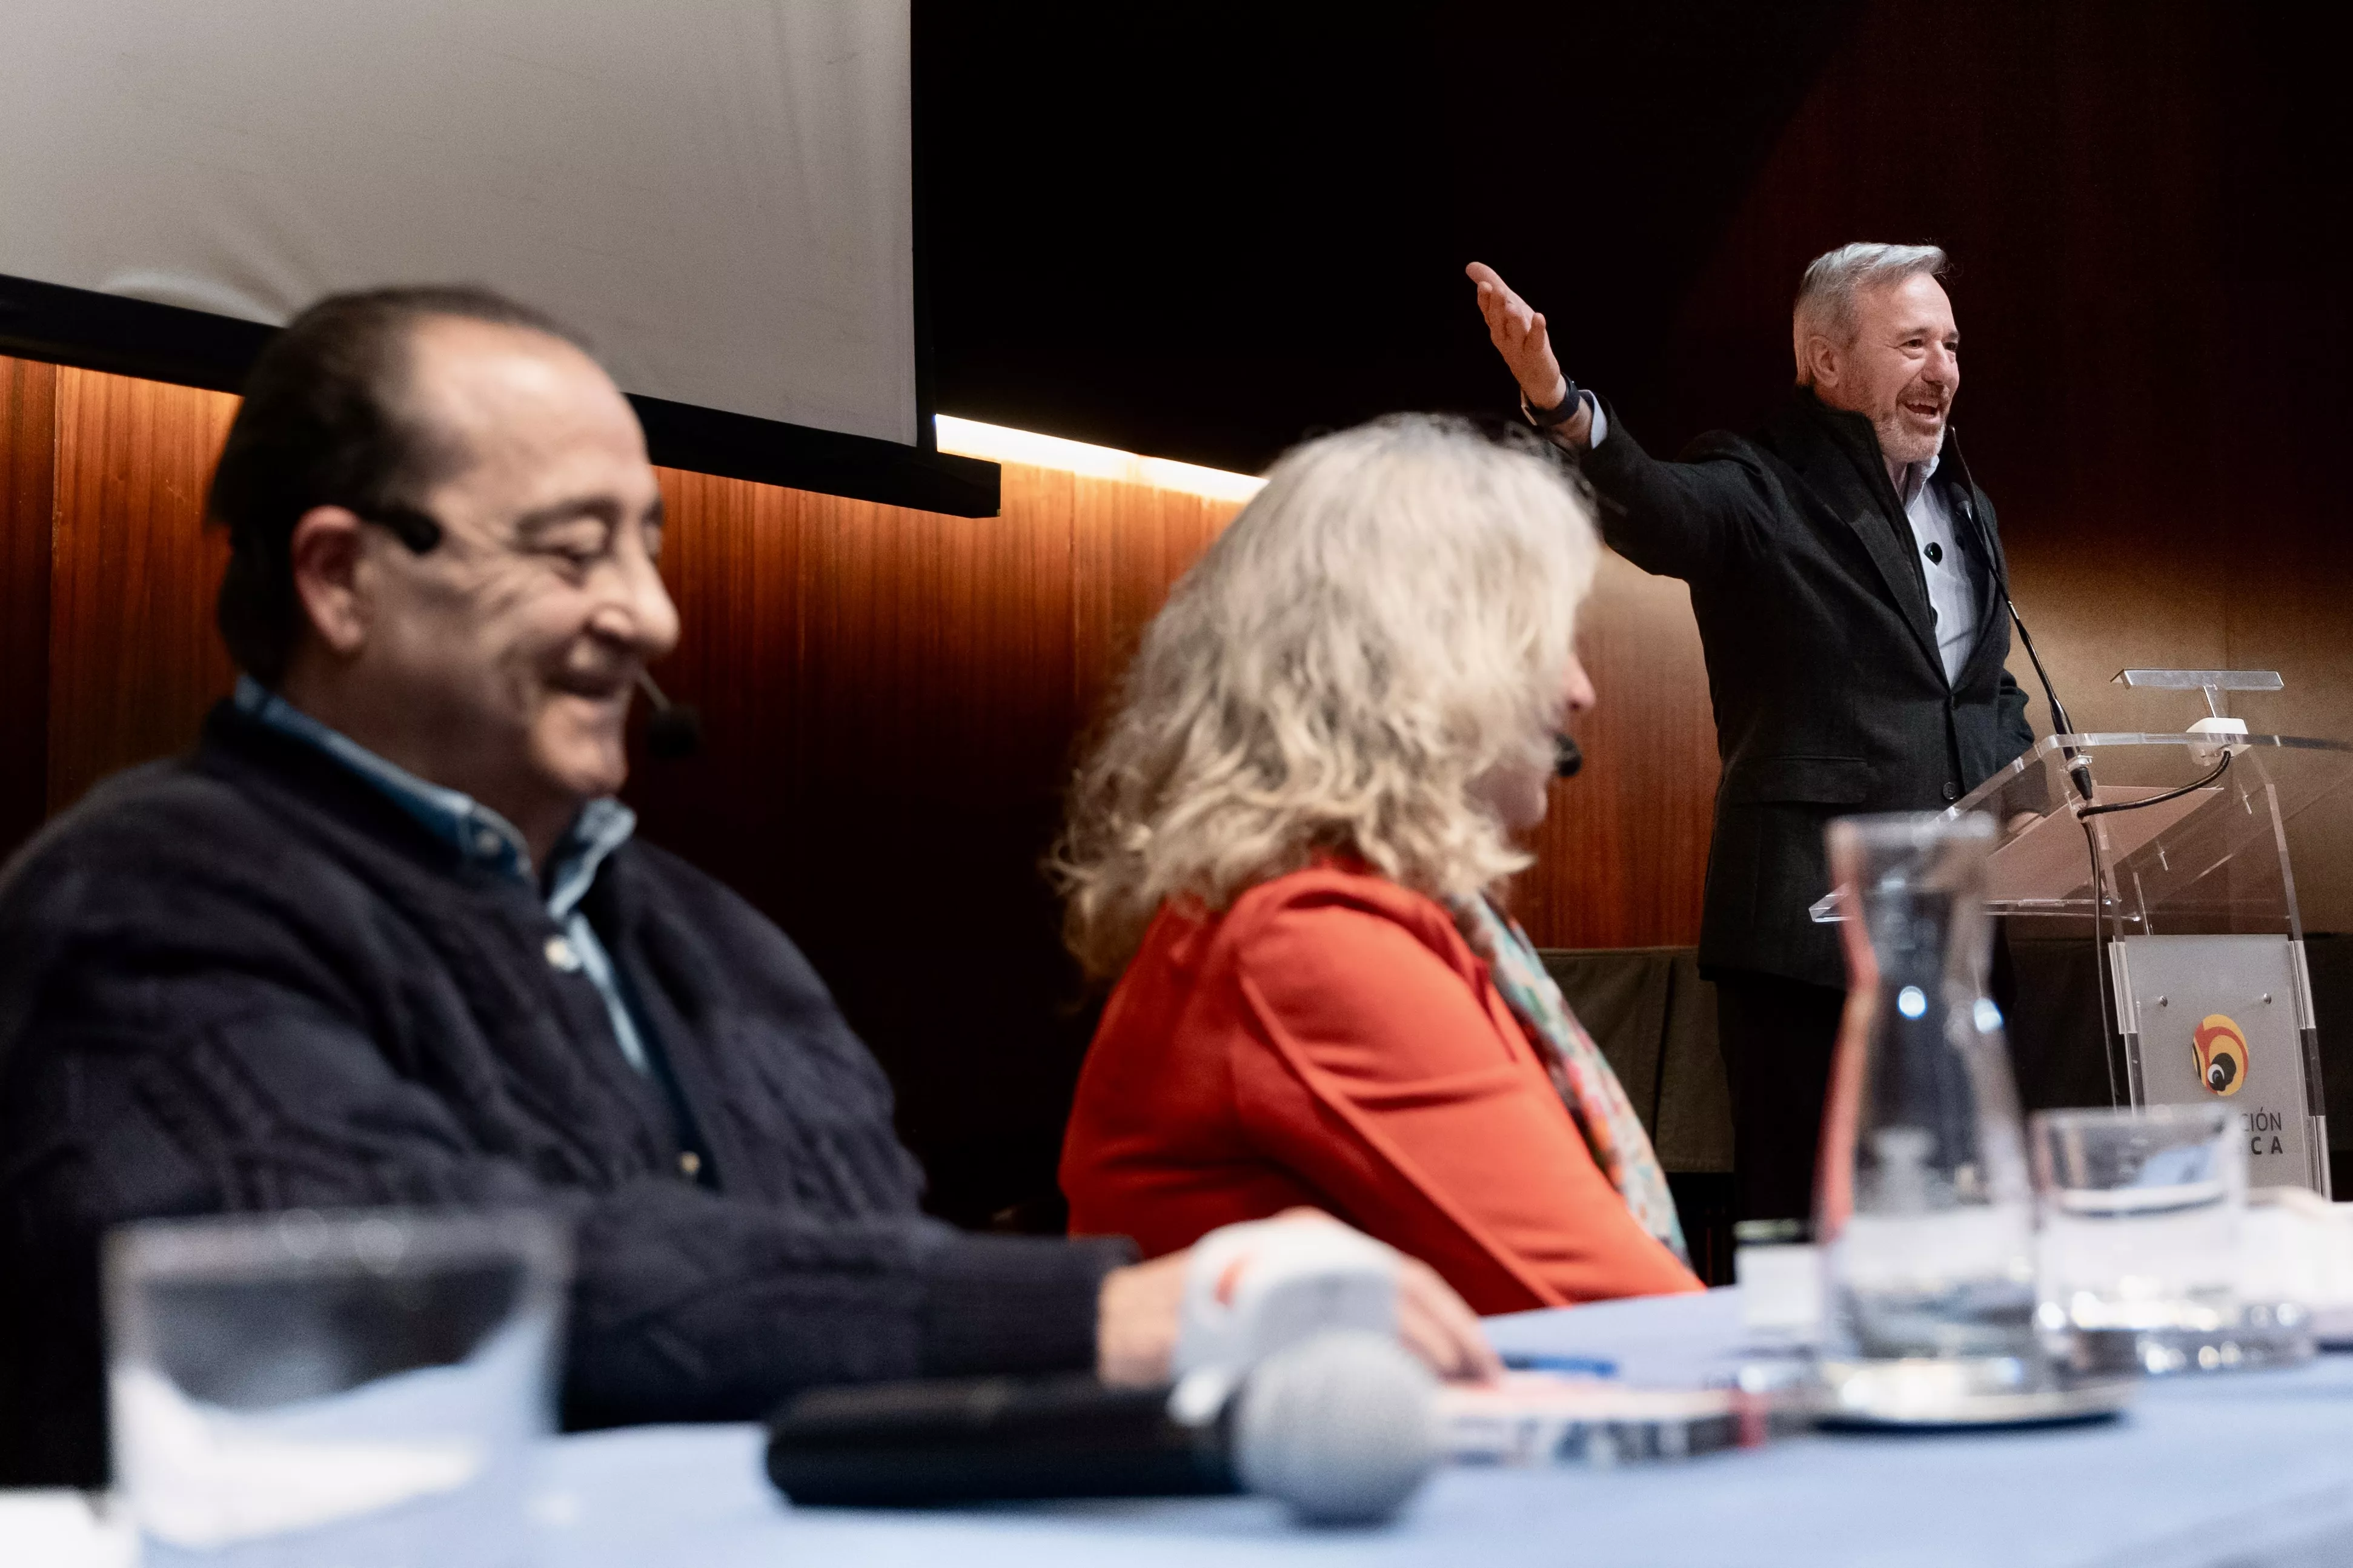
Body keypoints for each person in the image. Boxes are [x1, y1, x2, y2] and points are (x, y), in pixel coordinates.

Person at [0, 287, 1496, 1487]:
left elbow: (865, 1293)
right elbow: (408, 1293)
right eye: (573, 550)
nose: (647, 615)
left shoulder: (721, 943)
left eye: (649, 546)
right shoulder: (141, 902)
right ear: (339, 578)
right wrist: (1092, 1313)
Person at [1054, 415, 1704, 1316]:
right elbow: (1638, 1317)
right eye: (1546, 641)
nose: (1579, 690)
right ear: (1428, 664)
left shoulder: (1347, 913)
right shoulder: (1307, 943)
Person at [1467, 245, 2036, 1222]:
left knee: (1964, 1220)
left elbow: (1976, 696)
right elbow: (1656, 507)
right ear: (1826, 361)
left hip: (1956, 940)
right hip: (1805, 947)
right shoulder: (1762, 484)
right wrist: (1563, 406)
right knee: (1816, 1227)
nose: (1943, 370)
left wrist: (2047, 790)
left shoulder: (1968, 507)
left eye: (1949, 344)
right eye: (1912, 344)